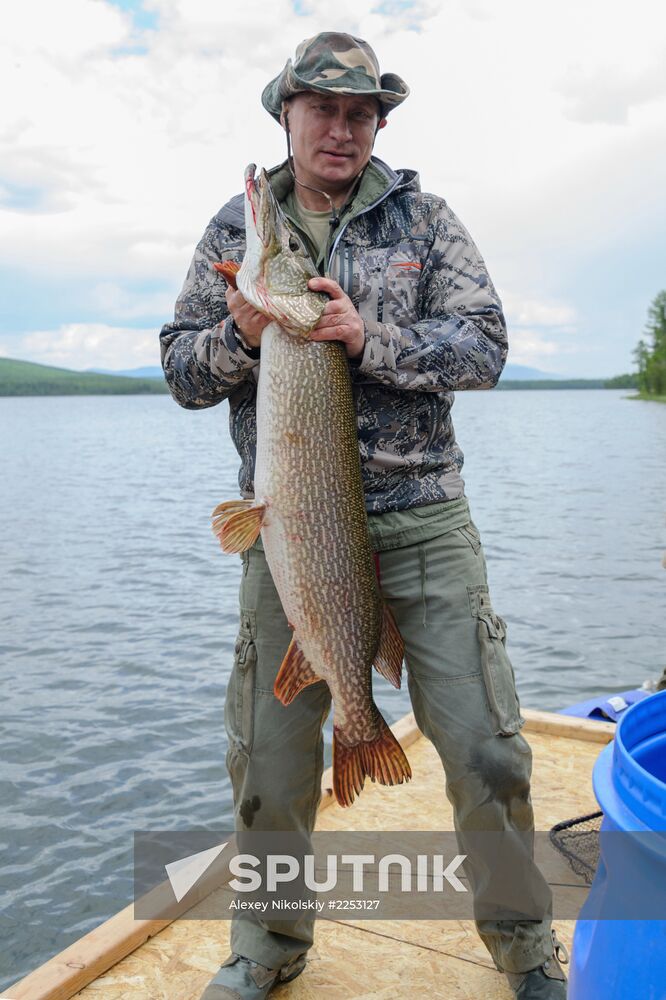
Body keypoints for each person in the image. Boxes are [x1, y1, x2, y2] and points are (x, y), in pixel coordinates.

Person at [159, 31, 568, 1000]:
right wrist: (244, 328)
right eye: (320, 109)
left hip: (424, 522)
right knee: (269, 755)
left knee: (483, 746)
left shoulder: (425, 220)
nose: (339, 128)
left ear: (377, 123)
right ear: (287, 115)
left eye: (358, 113)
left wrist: (365, 334)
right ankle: (266, 944)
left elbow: (487, 348)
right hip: (293, 533)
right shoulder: (238, 228)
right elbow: (180, 367)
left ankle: (524, 950)